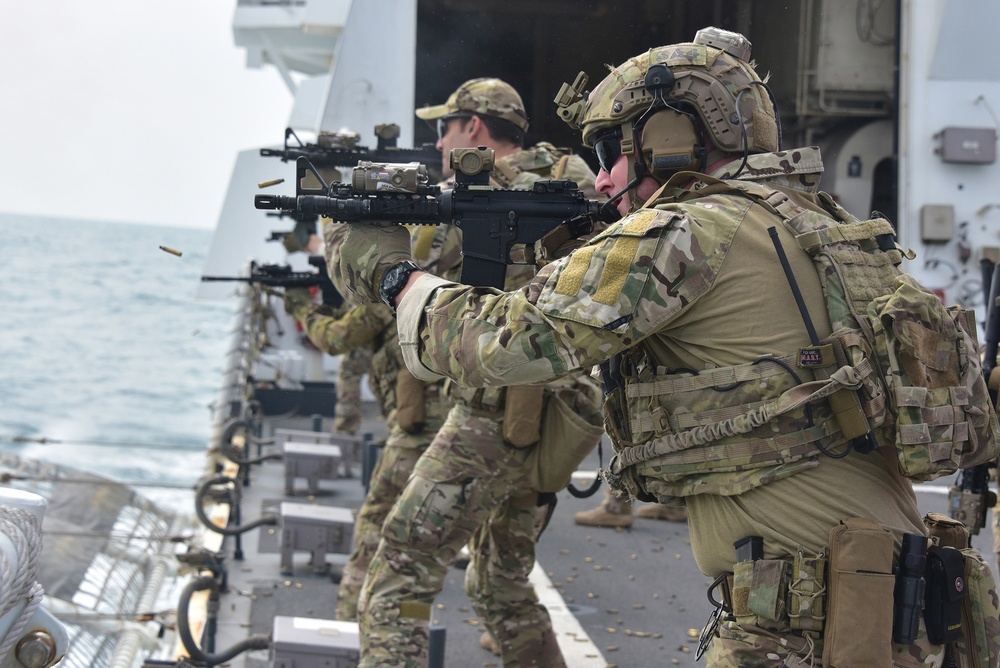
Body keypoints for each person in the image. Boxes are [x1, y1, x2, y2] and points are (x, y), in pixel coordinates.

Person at [338, 29, 1000, 666]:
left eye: (609, 155)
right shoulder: (822, 226)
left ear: (669, 142)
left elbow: (504, 342)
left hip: (804, 625)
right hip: (884, 607)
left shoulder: (686, 232)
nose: (600, 182)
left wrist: (396, 277)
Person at [354, 77, 605, 667]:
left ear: (473, 127)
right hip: (560, 419)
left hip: (494, 417)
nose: (440, 142)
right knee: (498, 582)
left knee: (401, 567)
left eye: (446, 128)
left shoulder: (500, 188)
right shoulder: (579, 181)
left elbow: (423, 286)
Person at [280, 223, 449, 622]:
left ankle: (350, 624)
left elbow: (336, 338)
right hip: (448, 417)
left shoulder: (391, 290)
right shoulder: (439, 280)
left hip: (421, 426)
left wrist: (303, 308)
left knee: (376, 524)